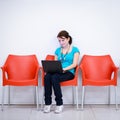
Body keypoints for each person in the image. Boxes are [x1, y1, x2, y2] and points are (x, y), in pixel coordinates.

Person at [43, 30, 80, 113]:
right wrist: (51, 69)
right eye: (59, 40)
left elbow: (74, 64)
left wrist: (64, 69)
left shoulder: (75, 50)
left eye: (63, 40)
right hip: (58, 71)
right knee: (47, 77)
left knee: (54, 77)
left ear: (68, 39)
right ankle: (47, 103)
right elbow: (55, 63)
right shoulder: (57, 50)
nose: (61, 42)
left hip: (69, 72)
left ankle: (59, 104)